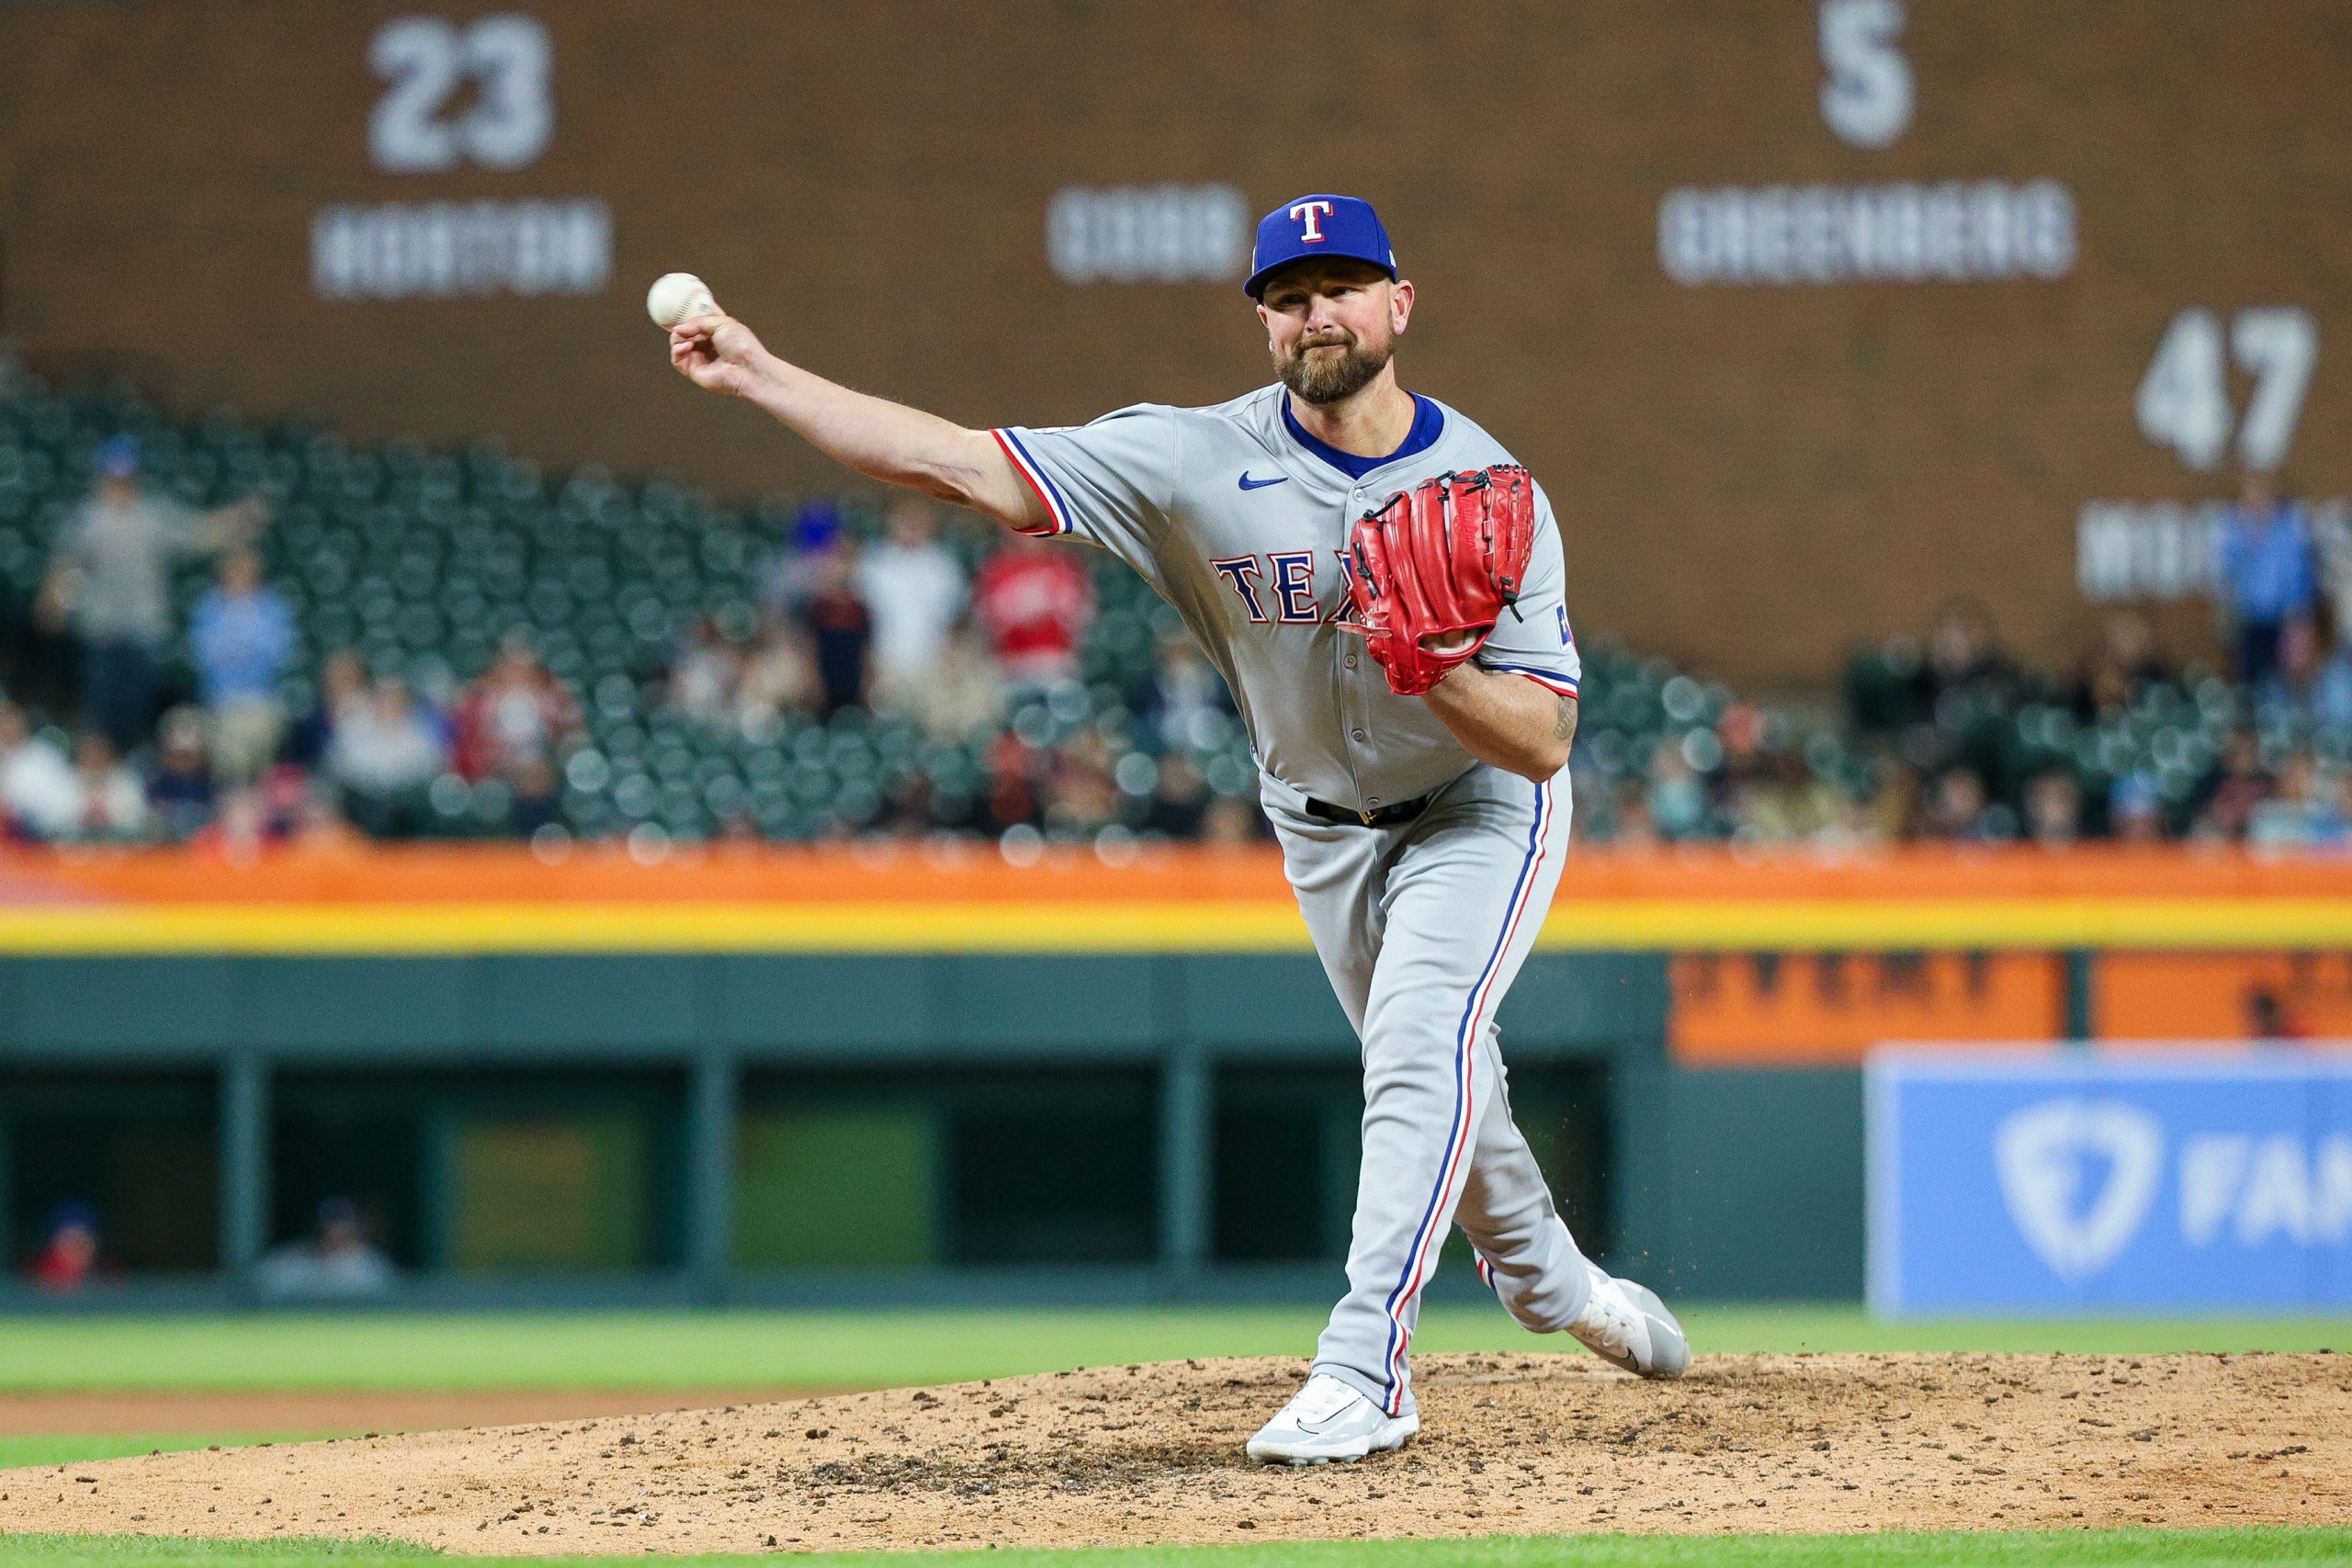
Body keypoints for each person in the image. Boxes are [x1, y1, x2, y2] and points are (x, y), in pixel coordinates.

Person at [666, 190, 1686, 1464]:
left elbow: (1539, 739)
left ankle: (1365, 1365)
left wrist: (1437, 665)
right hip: (1318, 824)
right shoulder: (1189, 458)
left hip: (1481, 804)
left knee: (1422, 1036)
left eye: (1343, 286)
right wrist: (764, 374)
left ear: (1399, 303)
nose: (1320, 312)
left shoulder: (1489, 489)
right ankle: (1550, 1282)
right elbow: (957, 461)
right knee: (1447, 1088)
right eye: (1290, 296)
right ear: (1263, 324)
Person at [41, 436, 266, 753]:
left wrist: (239, 517)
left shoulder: (152, 517)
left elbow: (201, 533)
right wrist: (52, 601)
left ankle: (133, 765)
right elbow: (65, 564)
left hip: (142, 630)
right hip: (101, 630)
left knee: (136, 710)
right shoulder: (89, 519)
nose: (120, 484)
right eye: (113, 477)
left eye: (125, 477)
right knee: (100, 712)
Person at [187, 548, 297, 784]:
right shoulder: (209, 608)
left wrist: (238, 646)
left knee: (263, 772)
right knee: (229, 774)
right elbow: (204, 654)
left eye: (246, 572)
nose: (240, 578)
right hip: (222, 701)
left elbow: (279, 652)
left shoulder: (272, 608)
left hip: (261, 699)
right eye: (234, 572)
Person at [854, 498, 967, 712]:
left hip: (933, 666)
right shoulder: (873, 564)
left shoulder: (943, 566)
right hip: (887, 664)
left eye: (919, 520)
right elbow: (860, 621)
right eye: (906, 519)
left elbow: (956, 621)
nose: (912, 526)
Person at [2214, 470, 2317, 685]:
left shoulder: (2287, 526)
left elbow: (2297, 570)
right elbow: (2227, 569)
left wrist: (2298, 610)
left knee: (2286, 677)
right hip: (2248, 616)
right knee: (2250, 676)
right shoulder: (2234, 525)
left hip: (2283, 616)